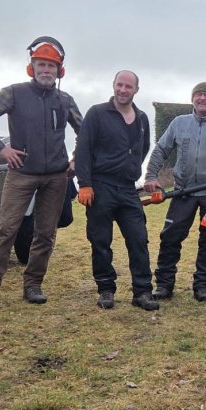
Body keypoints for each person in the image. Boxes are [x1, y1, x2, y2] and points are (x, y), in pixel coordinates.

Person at [0, 36, 82, 309]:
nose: (46, 70)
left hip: (56, 177)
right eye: (41, 65)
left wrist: (77, 159)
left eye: (51, 66)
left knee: (45, 234)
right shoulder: (14, 93)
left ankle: (33, 284)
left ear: (60, 71)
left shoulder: (65, 100)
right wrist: (1, 149)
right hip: (21, 174)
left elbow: (86, 132)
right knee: (6, 229)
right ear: (31, 68)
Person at [143, 82, 206, 303]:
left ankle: (202, 285)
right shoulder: (179, 123)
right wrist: (150, 176)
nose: (203, 99)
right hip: (183, 191)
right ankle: (165, 284)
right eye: (199, 95)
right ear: (192, 99)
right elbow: (161, 150)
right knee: (170, 237)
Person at [74, 70, 159, 311]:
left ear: (136, 90)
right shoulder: (97, 113)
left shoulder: (141, 118)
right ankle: (106, 289)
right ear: (113, 86)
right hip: (100, 186)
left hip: (128, 189)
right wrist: (85, 184)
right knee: (101, 241)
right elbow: (83, 149)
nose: (123, 90)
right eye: (119, 85)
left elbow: (143, 148)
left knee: (138, 239)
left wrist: (131, 168)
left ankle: (142, 292)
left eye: (128, 87)